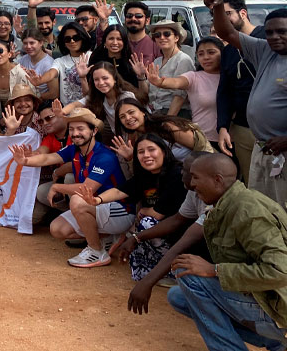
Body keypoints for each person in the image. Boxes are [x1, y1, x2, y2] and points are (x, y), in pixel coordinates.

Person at [167, 153, 287, 351]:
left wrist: (215, 270)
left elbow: (280, 271)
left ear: (218, 180)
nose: (191, 183)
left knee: (190, 277)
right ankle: (276, 343)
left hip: (277, 303)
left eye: (196, 177)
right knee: (179, 296)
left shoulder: (248, 212)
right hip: (261, 296)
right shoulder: (228, 203)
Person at [10, 108, 134, 268]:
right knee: (57, 229)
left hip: (121, 210)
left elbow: (86, 188)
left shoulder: (105, 156)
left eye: (81, 129)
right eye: (72, 129)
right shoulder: (74, 149)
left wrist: (58, 187)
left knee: (77, 199)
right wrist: (25, 161)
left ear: (94, 131)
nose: (75, 133)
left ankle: (97, 252)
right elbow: (48, 157)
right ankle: (107, 237)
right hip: (96, 207)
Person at [206, 0, 287, 204]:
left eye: (282, 31)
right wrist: (217, 8)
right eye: (269, 32)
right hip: (264, 150)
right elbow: (227, 32)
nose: (274, 37)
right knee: (264, 207)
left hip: (283, 152)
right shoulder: (266, 50)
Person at [74, 133, 187, 281]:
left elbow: (158, 214)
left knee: (146, 223)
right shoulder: (145, 174)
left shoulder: (177, 174)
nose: (146, 155)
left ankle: (174, 270)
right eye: (141, 152)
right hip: (161, 231)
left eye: (151, 150)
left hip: (181, 236)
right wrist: (98, 200)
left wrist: (144, 211)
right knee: (139, 274)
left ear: (164, 151)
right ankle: (160, 269)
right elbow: (119, 191)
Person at [122, 152, 209, 314]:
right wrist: (136, 237)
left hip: (229, 270)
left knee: (185, 269)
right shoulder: (195, 192)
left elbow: (187, 240)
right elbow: (177, 219)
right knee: (177, 291)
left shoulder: (215, 203)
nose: (180, 174)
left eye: (186, 171)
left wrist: (148, 282)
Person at [215, 0, 266, 183]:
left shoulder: (267, 40)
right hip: (243, 128)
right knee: (252, 183)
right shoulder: (228, 52)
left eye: (227, 13)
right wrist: (222, 126)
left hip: (273, 129)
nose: (223, 19)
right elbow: (224, 91)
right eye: (219, 16)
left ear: (243, 13)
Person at [147, 37, 224, 149]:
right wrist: (160, 82)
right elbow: (177, 82)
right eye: (201, 54)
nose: (206, 57)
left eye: (211, 52)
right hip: (203, 140)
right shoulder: (194, 77)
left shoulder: (230, 77)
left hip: (231, 137)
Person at [113, 98, 213, 169]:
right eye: (122, 117)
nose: (128, 118)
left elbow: (203, 148)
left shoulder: (166, 126)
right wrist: (131, 159)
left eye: (131, 112)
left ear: (143, 112)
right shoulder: (135, 139)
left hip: (201, 170)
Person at [25, 22, 94, 106]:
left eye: (76, 38)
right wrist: (40, 80)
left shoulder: (92, 57)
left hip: (89, 108)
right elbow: (51, 73)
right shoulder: (60, 61)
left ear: (83, 38)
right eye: (67, 39)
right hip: (66, 111)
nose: (72, 41)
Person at [63, 61, 136, 137]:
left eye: (105, 78)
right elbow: (75, 105)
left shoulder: (126, 96)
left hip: (134, 138)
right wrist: (61, 112)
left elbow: (134, 125)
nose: (101, 83)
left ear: (114, 79)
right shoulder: (99, 97)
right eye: (96, 79)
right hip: (120, 139)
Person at [88, 24, 149, 102]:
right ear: (104, 42)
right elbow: (90, 90)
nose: (115, 42)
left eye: (119, 39)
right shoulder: (96, 59)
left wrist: (141, 76)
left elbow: (144, 95)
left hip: (129, 104)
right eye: (111, 38)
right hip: (102, 104)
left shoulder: (132, 61)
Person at [147, 20, 195, 117]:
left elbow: (180, 95)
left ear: (176, 37)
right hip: (156, 111)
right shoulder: (157, 61)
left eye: (167, 34)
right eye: (157, 35)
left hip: (175, 113)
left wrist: (168, 121)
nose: (162, 38)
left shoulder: (183, 60)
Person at [18, 29, 54, 99]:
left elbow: (54, 93)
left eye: (32, 43)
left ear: (41, 43)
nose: (28, 46)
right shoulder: (23, 60)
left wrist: (34, 99)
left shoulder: (49, 64)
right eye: (25, 43)